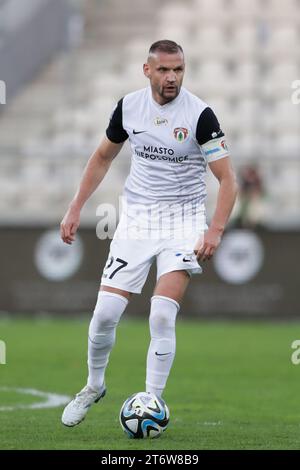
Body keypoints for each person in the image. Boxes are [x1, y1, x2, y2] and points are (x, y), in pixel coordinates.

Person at [60, 40, 238, 427]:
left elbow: (228, 180)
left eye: (178, 70)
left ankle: (151, 403)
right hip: (138, 220)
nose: (171, 77)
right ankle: (93, 386)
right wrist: (75, 207)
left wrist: (215, 230)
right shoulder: (129, 107)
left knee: (160, 315)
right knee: (106, 313)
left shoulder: (200, 114)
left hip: (184, 222)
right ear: (147, 70)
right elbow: (103, 156)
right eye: (163, 70)